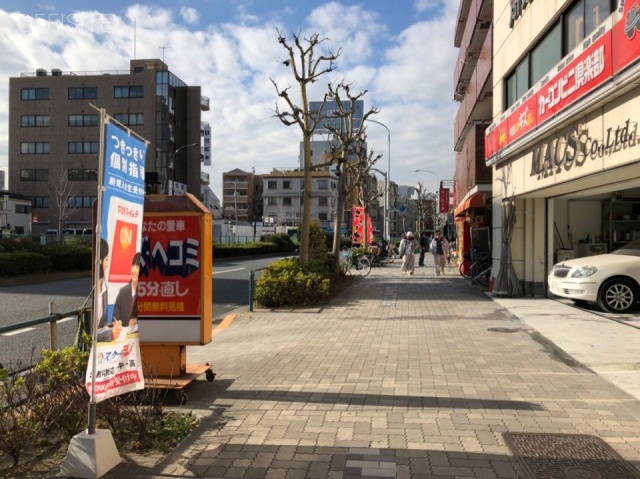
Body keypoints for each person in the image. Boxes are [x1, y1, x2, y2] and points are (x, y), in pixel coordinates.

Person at [95, 238, 122, 342]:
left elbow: (103, 323)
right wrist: (109, 333)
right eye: (106, 259)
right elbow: (90, 334)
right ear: (99, 261)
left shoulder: (105, 288)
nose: (107, 265)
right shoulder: (91, 290)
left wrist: (111, 327)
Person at [112, 252, 141, 328]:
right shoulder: (123, 292)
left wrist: (136, 321)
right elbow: (115, 318)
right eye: (133, 266)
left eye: (138, 266)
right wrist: (117, 323)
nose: (134, 270)